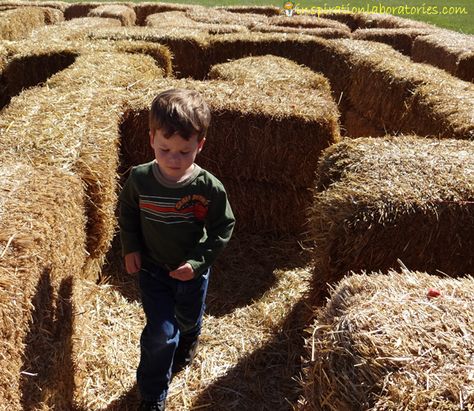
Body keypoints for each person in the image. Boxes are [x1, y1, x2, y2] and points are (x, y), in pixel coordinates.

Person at [118, 89, 235, 411]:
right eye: (165, 148)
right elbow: (127, 211)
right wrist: (131, 247)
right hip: (153, 270)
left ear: (200, 145)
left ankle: (189, 339)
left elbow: (224, 226)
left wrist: (197, 263)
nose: (173, 159)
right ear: (151, 138)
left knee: (187, 321)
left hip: (190, 273)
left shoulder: (207, 187)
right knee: (160, 333)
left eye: (185, 151)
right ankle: (153, 394)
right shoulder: (140, 179)